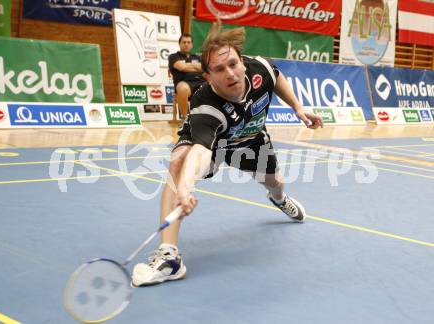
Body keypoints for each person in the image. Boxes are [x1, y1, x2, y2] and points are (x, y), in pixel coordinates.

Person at [132, 22, 323, 286]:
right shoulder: (205, 105)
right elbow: (199, 151)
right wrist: (186, 189)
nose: (230, 73)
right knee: (178, 163)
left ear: (242, 62)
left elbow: (277, 76)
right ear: (208, 77)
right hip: (213, 142)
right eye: (219, 69)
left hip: (250, 138)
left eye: (233, 64)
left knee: (276, 182)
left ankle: (279, 199)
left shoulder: (260, 69)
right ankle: (169, 257)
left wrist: (298, 108)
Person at [168, 33, 205, 119]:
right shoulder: (173, 57)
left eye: (188, 42)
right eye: (184, 42)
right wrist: (196, 66)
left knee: (215, 85)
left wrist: (188, 65)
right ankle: (186, 119)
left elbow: (204, 68)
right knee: (182, 88)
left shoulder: (198, 57)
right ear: (179, 43)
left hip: (201, 82)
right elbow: (182, 67)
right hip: (186, 84)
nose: (186, 44)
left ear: (192, 44)